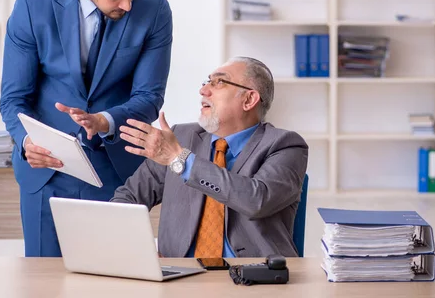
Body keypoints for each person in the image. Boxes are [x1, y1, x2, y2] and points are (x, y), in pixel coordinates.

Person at [0, 0, 173, 257]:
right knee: (44, 282)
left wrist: (105, 121)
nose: (128, 5)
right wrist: (26, 142)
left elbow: (150, 95)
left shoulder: (154, 7)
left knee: (116, 278)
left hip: (115, 170)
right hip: (45, 170)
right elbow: (13, 98)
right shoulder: (33, 4)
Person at [111, 57, 308, 258]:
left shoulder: (286, 145)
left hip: (255, 277)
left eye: (219, 82)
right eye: (206, 82)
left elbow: (257, 200)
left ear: (249, 99)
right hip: (180, 274)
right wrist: (139, 247)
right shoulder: (180, 137)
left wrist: (180, 159)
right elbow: (129, 197)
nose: (203, 91)